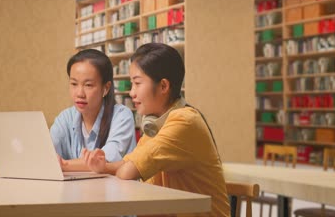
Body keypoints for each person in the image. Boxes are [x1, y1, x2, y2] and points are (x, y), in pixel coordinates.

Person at [83, 43, 230, 216]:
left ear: (163, 86)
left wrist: (117, 168)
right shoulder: (156, 122)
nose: (131, 93)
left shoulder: (184, 121)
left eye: (137, 83)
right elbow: (127, 163)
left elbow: (128, 171)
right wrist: (103, 167)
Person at [50, 49, 136, 172]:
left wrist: (63, 165)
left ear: (106, 88)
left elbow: (101, 162)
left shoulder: (122, 116)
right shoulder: (65, 117)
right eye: (74, 84)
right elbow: (47, 153)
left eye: (88, 85)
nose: (79, 93)